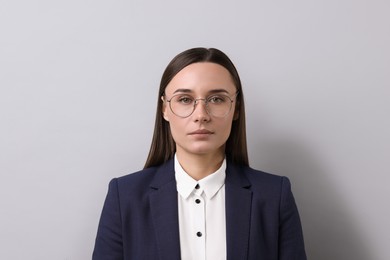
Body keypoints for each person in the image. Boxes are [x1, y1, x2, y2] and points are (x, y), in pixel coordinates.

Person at [92, 47, 307, 260]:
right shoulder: (125, 198)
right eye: (185, 100)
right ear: (164, 109)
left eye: (216, 99)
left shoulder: (274, 197)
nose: (201, 115)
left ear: (237, 108)